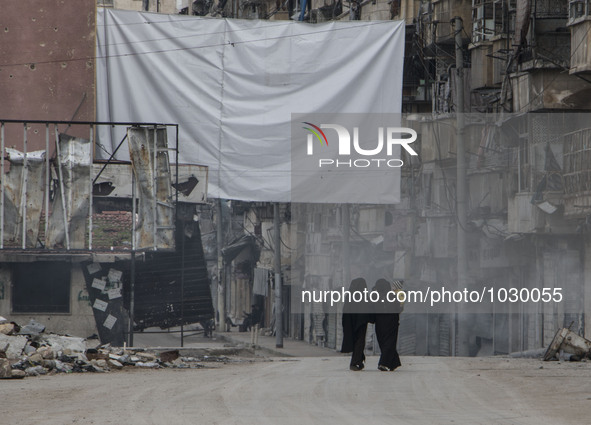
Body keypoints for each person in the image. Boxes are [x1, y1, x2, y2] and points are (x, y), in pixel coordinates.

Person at [341, 278, 373, 371]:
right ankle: (354, 362)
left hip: (351, 322)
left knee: (356, 341)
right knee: (360, 341)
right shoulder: (363, 295)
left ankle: (358, 360)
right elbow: (368, 308)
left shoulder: (349, 295)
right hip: (361, 323)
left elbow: (345, 310)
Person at [373, 278, 403, 372]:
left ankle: (386, 363)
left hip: (380, 324)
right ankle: (390, 363)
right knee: (390, 343)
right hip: (392, 323)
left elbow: (371, 309)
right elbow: (398, 309)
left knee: (383, 342)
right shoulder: (392, 296)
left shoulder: (375, 297)